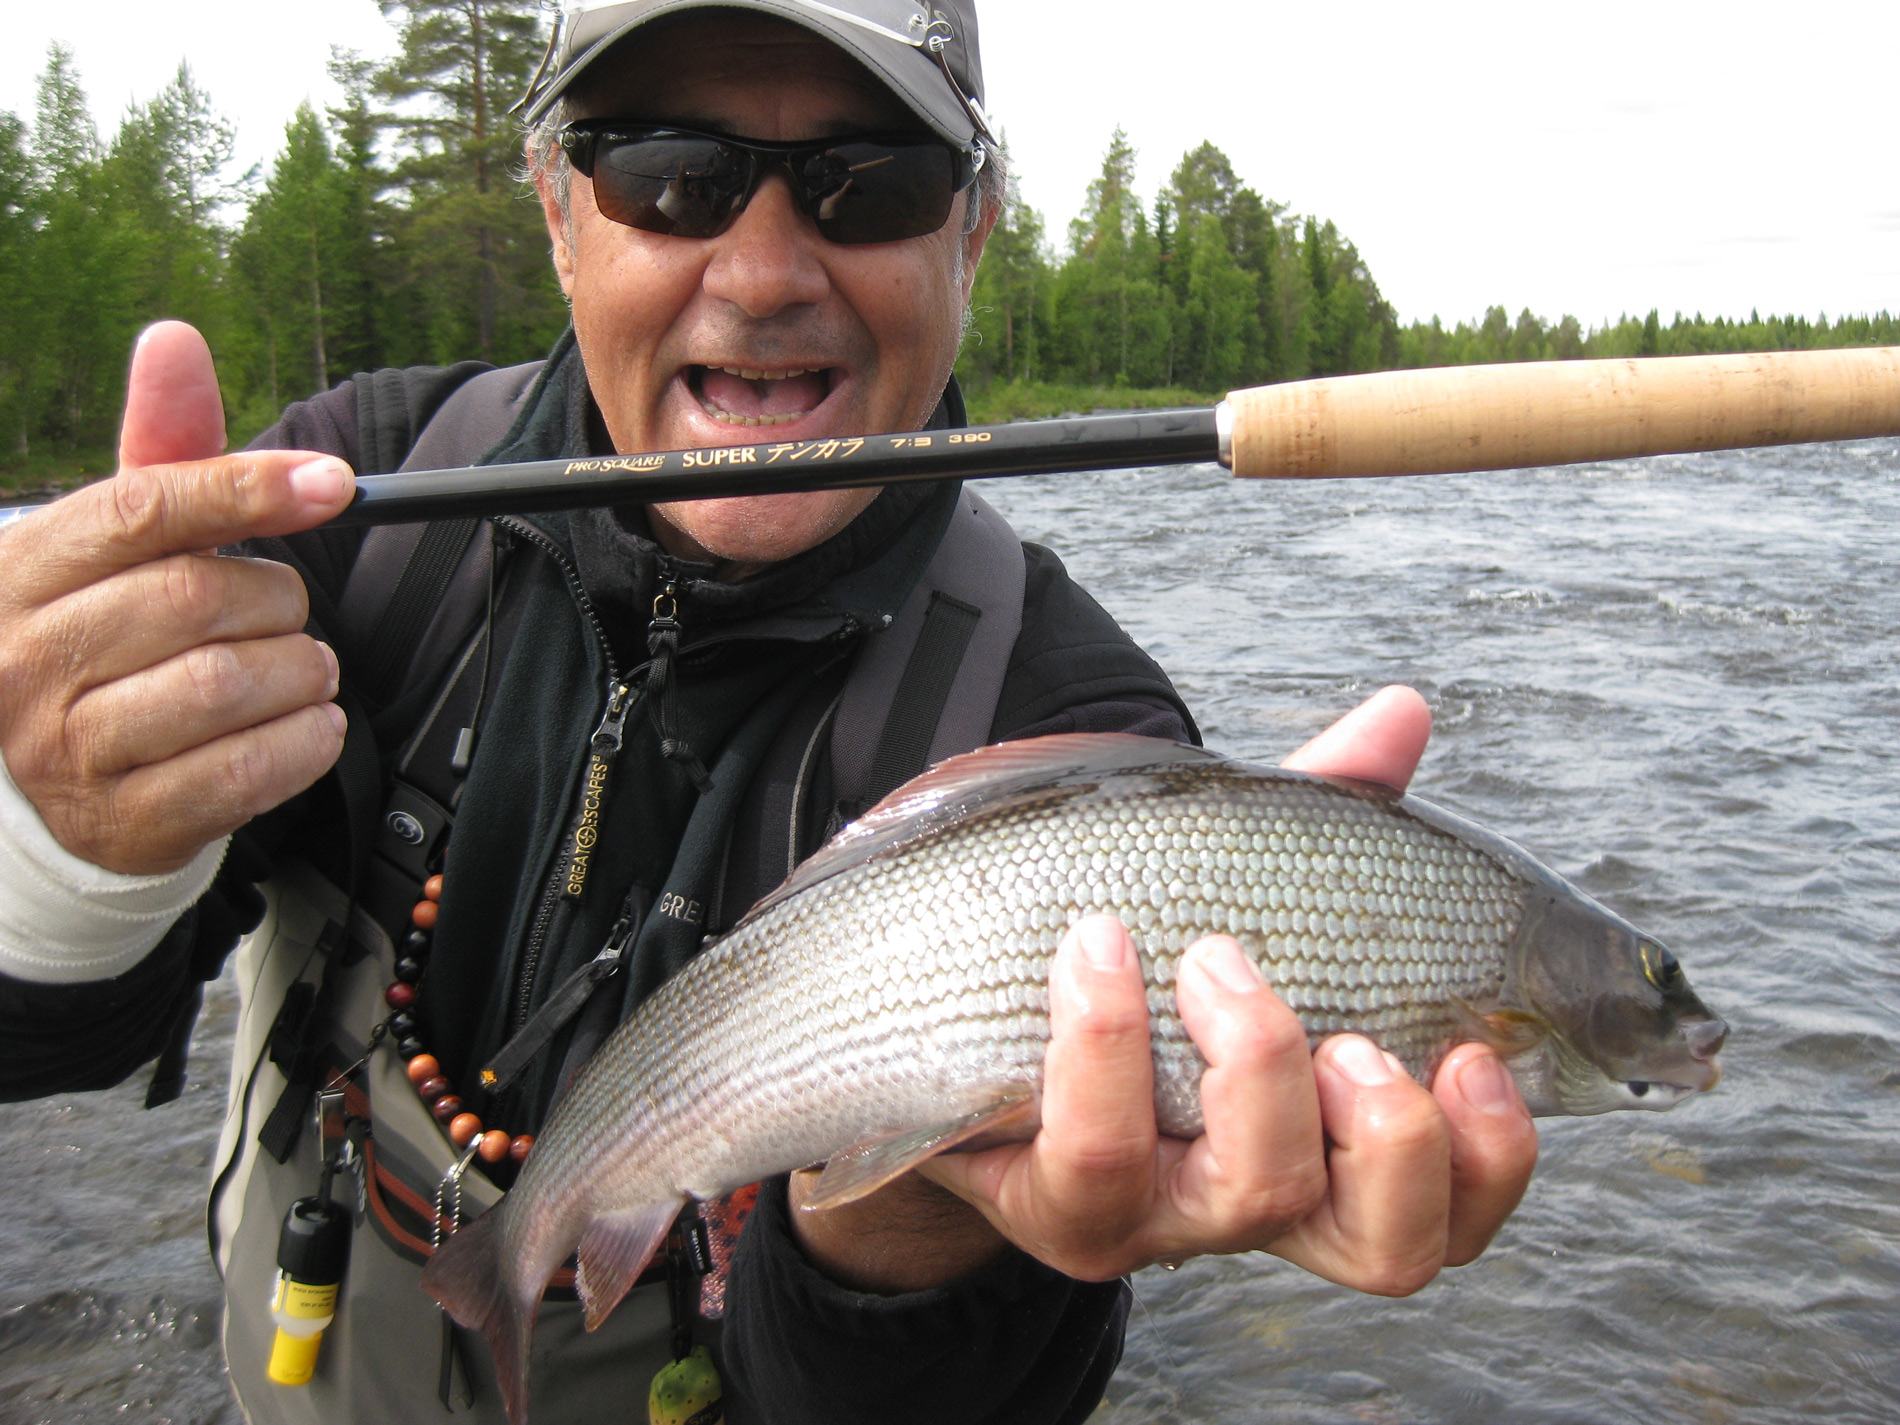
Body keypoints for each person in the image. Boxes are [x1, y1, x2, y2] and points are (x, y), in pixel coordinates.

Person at [0, 2, 1539, 1421]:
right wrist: (66, 850)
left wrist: (917, 1219)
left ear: (973, 232)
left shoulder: (1069, 722)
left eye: (868, 181)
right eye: (671, 174)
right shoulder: (355, 514)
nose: (761, 272)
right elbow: (54, 1042)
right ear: (557, 212)